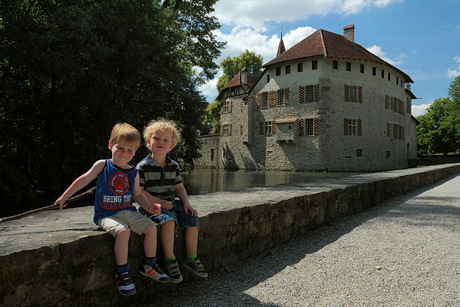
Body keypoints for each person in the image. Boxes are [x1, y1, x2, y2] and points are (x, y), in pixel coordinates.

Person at [54, 122, 169, 296]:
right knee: (123, 232)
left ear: (135, 152)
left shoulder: (133, 172)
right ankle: (122, 273)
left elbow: (138, 195)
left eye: (129, 150)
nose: (124, 153)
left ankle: (149, 265)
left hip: (127, 210)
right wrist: (65, 196)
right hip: (105, 213)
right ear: (110, 145)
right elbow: (83, 180)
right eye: (120, 147)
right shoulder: (103, 165)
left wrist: (149, 207)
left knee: (151, 227)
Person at [136, 118, 208, 284]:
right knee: (168, 221)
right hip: (150, 206)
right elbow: (139, 192)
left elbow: (179, 187)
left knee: (192, 217)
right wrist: (158, 202)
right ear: (148, 142)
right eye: (156, 138)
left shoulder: (173, 166)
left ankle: (191, 258)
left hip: (170, 203)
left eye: (165, 140)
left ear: (172, 146)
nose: (161, 142)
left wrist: (186, 204)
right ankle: (170, 260)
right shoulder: (143, 166)